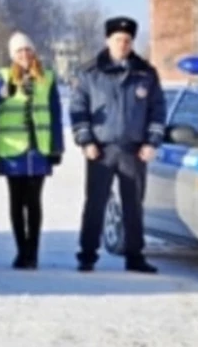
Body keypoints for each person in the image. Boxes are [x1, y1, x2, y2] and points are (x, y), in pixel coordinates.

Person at [69, 16, 165, 274]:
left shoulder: (145, 72)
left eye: (127, 40)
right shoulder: (90, 73)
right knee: (95, 203)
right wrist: (86, 141)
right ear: (107, 41)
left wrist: (151, 142)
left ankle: (135, 255)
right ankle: (87, 254)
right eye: (118, 39)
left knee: (133, 204)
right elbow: (78, 110)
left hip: (134, 149)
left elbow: (157, 110)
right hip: (101, 149)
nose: (122, 44)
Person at [0, 32, 64, 269]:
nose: (24, 55)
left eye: (28, 50)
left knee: (34, 202)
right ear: (13, 55)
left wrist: (57, 147)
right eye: (19, 52)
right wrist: (3, 92)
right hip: (13, 150)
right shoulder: (3, 77)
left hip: (38, 148)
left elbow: (55, 113)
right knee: (17, 202)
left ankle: (33, 252)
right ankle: (21, 250)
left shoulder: (46, 78)